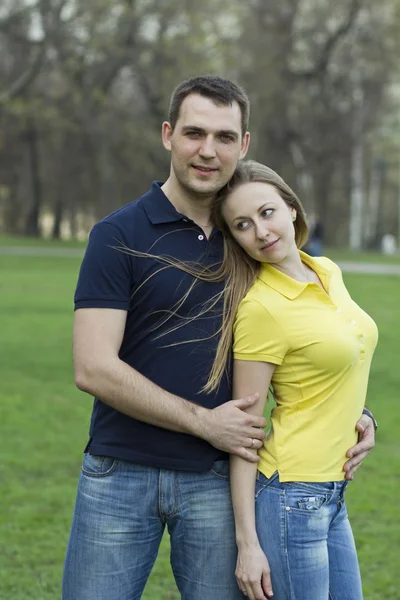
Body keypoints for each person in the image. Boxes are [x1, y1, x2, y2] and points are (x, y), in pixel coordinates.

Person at [62, 76, 376, 600]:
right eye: (194, 133)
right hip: (120, 472)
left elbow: (307, 345)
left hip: (217, 482)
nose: (208, 151)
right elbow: (92, 366)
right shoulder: (118, 236)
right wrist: (205, 422)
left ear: (243, 144)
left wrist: (356, 415)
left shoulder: (251, 242)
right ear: (168, 135)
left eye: (224, 137)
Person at [201, 160, 377, 599]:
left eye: (266, 212)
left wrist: (364, 416)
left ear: (292, 209)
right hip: (292, 497)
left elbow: (342, 360)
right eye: (242, 225)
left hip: (333, 494)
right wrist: (247, 545)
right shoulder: (262, 308)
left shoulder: (327, 271)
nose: (261, 232)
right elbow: (246, 430)